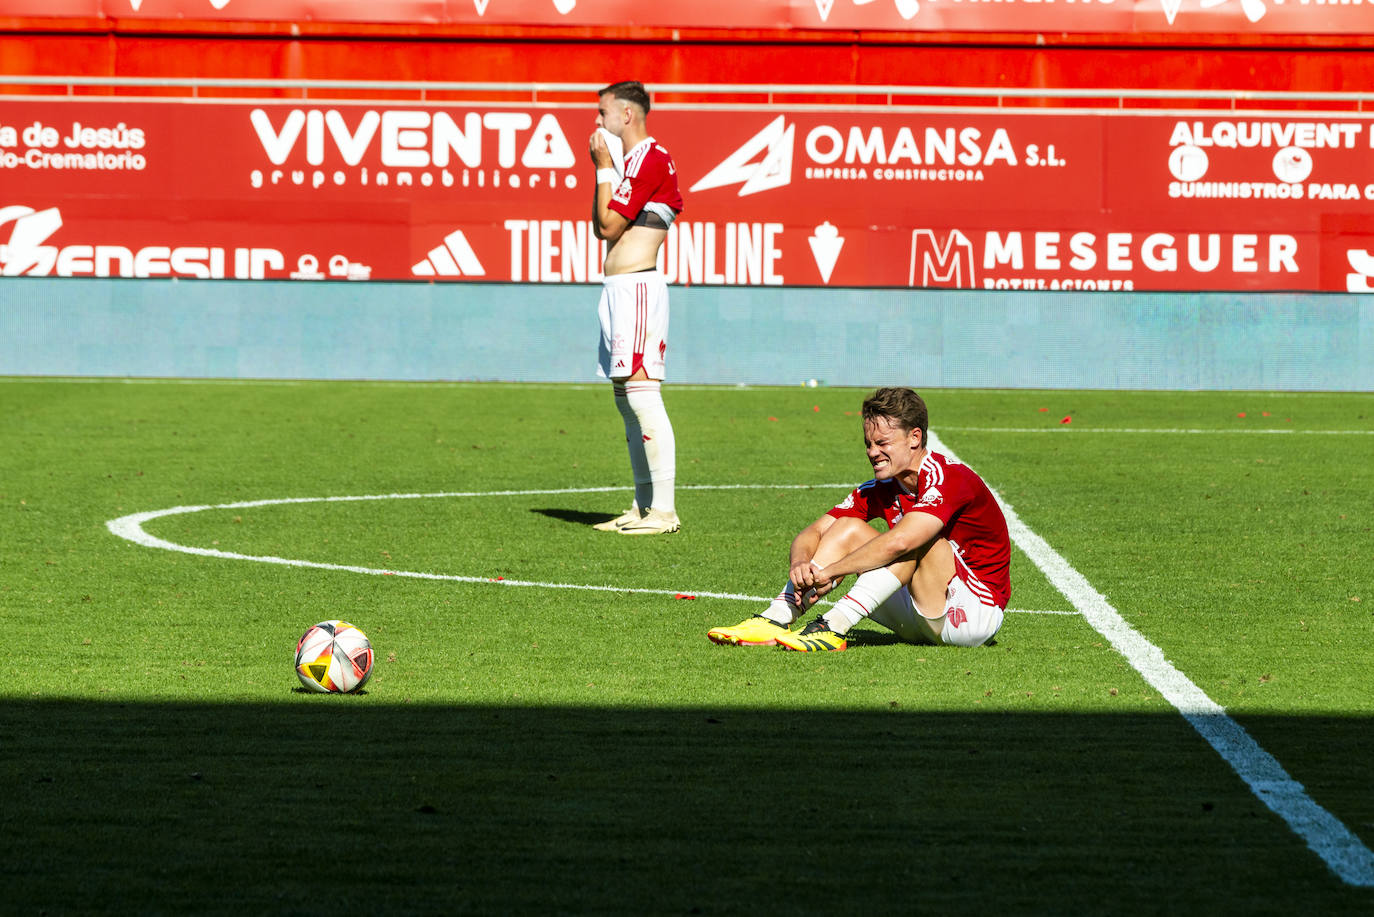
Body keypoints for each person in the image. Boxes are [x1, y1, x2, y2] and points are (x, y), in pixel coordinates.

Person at [708, 387, 1010, 651]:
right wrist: (801, 563)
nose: (872, 452)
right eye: (868, 443)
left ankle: (833, 625)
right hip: (919, 615)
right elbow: (813, 532)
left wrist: (834, 571)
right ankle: (777, 617)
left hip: (971, 615)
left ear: (914, 438)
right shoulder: (882, 487)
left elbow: (902, 541)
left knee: (913, 539)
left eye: (883, 443)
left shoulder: (950, 477)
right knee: (847, 528)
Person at [587, 80, 685, 536]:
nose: (597, 120)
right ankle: (643, 504)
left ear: (626, 114)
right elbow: (601, 226)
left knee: (644, 395)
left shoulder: (650, 156)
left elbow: (608, 225)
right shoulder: (631, 163)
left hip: (638, 288)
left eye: (602, 111)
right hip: (619, 289)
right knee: (626, 399)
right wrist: (608, 169)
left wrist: (603, 167)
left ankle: (664, 511)